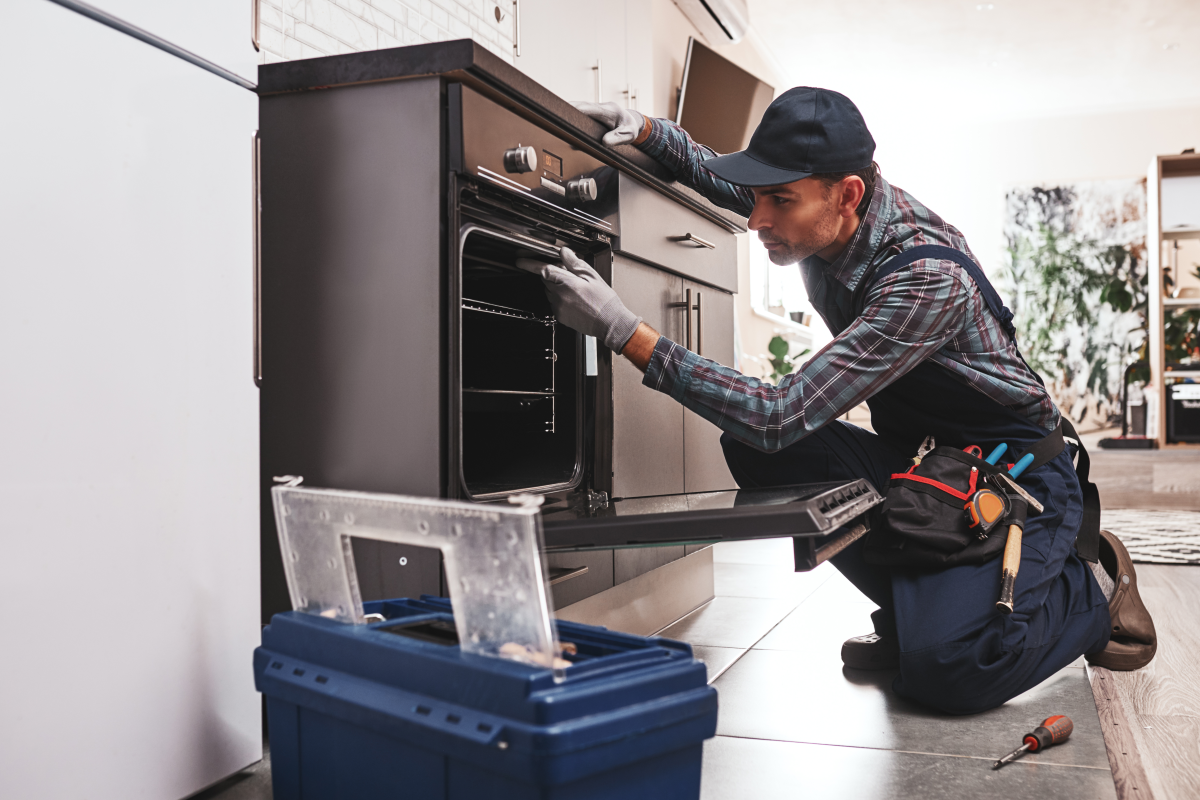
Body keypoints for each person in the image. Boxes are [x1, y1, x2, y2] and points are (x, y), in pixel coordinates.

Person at [535, 87, 1156, 714]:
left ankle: (1092, 588)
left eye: (779, 201)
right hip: (930, 467)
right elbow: (734, 186)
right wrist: (647, 129)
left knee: (948, 671)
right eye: (761, 197)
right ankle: (912, 613)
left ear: (848, 194)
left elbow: (778, 415)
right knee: (755, 450)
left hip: (1020, 477)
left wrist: (626, 332)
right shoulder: (823, 214)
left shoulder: (923, 280)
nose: (757, 221)